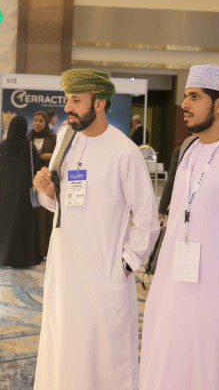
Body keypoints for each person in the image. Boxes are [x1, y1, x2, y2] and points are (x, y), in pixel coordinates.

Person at [140, 64, 219, 390]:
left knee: (214, 376)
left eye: (195, 97)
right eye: (186, 96)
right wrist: (157, 294)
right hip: (174, 294)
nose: (185, 104)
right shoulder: (187, 153)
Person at [32, 69, 159, 389]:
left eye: (76, 100)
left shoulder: (124, 151)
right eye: (67, 99)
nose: (68, 107)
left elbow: (148, 218)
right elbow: (60, 206)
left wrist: (126, 263)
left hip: (104, 273)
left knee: (105, 357)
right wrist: (47, 192)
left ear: (99, 103)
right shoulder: (65, 139)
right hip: (64, 268)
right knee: (64, 347)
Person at [0, 116, 41, 268]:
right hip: (23, 193)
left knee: (3, 222)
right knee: (22, 222)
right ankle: (21, 257)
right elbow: (35, 168)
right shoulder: (30, 147)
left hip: (4, 192)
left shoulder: (3, 146)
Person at [28, 111, 57, 258]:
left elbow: (59, 156)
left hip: (46, 181)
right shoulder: (29, 137)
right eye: (35, 120)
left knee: (44, 217)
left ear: (46, 123)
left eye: (41, 121)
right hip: (30, 180)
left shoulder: (52, 138)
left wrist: (50, 156)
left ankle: (44, 249)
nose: (38, 123)